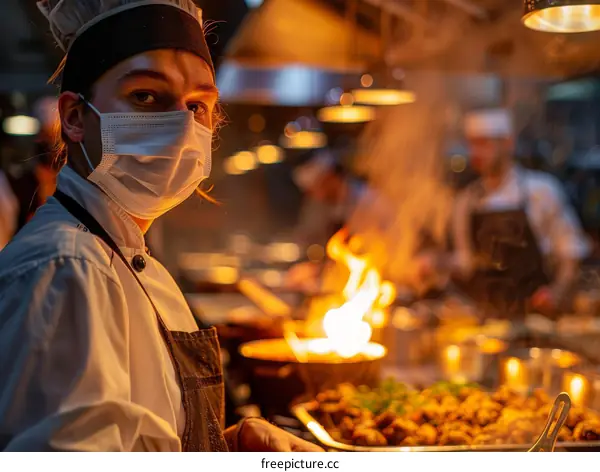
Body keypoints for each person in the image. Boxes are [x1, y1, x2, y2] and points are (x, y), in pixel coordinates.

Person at [0, 0, 322, 452]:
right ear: (74, 117)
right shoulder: (69, 269)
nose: (180, 126)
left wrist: (226, 450)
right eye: (146, 96)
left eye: (198, 105)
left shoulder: (125, 259)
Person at [425, 108, 591, 318]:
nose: (476, 152)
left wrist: (557, 292)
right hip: (483, 320)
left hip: (537, 317)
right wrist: (436, 263)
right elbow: (466, 263)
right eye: (472, 144)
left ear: (507, 143)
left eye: (484, 143)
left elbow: (571, 252)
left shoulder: (541, 191)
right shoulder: (466, 201)